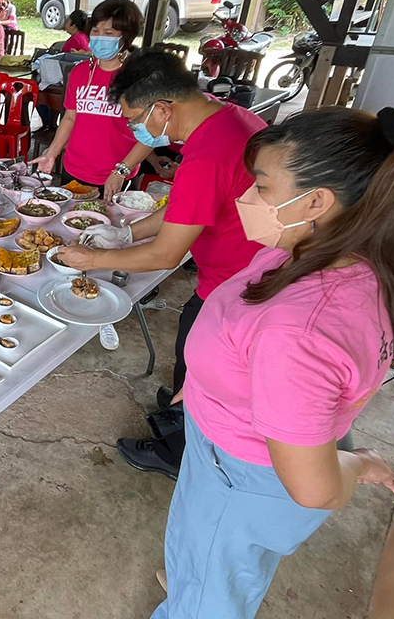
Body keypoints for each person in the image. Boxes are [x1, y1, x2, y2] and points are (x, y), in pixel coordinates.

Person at [149, 107, 394, 619]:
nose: (245, 198)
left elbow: (315, 487)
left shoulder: (302, 329)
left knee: (214, 591)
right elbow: (243, 332)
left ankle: (199, 596)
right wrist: (203, 381)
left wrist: (355, 464)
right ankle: (197, 579)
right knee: (219, 563)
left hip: (242, 475)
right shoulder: (319, 251)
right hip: (234, 445)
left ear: (315, 201)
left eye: (261, 186)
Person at [56, 48, 267, 477]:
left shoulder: (207, 153)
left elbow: (167, 254)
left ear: (163, 109)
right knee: (197, 360)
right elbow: (184, 211)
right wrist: (128, 232)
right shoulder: (229, 118)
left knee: (197, 353)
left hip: (236, 285)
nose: (135, 129)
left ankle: (179, 451)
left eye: (135, 120)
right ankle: (184, 405)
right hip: (248, 269)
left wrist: (93, 256)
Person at [30, 0, 147, 198]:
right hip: (74, 171)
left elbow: (150, 135)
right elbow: (69, 118)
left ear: (125, 38)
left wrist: (121, 171)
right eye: (96, 30)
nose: (100, 37)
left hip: (115, 177)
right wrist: (52, 154)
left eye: (109, 33)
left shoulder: (138, 78)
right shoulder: (80, 72)